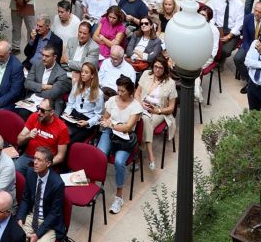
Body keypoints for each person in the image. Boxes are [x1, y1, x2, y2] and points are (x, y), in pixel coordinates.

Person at [19, 147, 67, 242]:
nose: (35, 162)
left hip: (49, 224)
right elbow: (26, 199)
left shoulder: (57, 183)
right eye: (34, 159)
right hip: (31, 217)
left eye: (39, 160)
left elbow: (54, 214)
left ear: (48, 163)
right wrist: (20, 218)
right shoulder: (31, 174)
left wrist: (37, 234)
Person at [98, 77, 143, 213]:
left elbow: (128, 127)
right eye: (118, 89)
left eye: (122, 91)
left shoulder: (136, 106)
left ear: (130, 92)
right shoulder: (112, 100)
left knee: (119, 162)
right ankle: (93, 183)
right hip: (110, 133)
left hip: (125, 138)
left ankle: (119, 196)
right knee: (99, 155)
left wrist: (111, 124)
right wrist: (105, 122)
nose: (119, 93)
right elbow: (105, 117)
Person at [14, 96, 70, 184]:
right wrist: (28, 136)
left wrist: (46, 164)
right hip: (29, 156)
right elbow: (19, 140)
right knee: (13, 172)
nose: (39, 112)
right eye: (38, 108)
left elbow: (60, 156)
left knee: (34, 183)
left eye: (43, 110)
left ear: (52, 112)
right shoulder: (34, 116)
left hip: (45, 162)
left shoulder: (62, 128)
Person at [137, 51, 177, 151]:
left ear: (165, 69)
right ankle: (146, 154)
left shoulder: (170, 83)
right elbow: (137, 93)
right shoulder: (146, 74)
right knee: (134, 120)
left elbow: (171, 108)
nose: (157, 70)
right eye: (155, 66)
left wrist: (157, 111)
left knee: (144, 122)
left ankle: (138, 154)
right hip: (142, 106)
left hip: (159, 112)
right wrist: (141, 103)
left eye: (161, 68)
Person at [24, 42, 72, 113]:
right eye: (42, 55)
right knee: (22, 112)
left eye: (47, 56)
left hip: (50, 104)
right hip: (33, 100)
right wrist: (44, 87)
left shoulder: (61, 74)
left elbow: (52, 94)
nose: (43, 58)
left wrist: (36, 91)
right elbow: (27, 83)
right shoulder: (37, 64)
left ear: (54, 57)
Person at [64, 60, 104, 141]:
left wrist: (88, 123)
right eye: (82, 71)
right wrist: (66, 113)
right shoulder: (77, 85)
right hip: (73, 115)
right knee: (61, 135)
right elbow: (70, 103)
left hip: (87, 119)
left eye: (86, 72)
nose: (82, 74)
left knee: (71, 141)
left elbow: (98, 115)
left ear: (92, 75)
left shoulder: (99, 93)